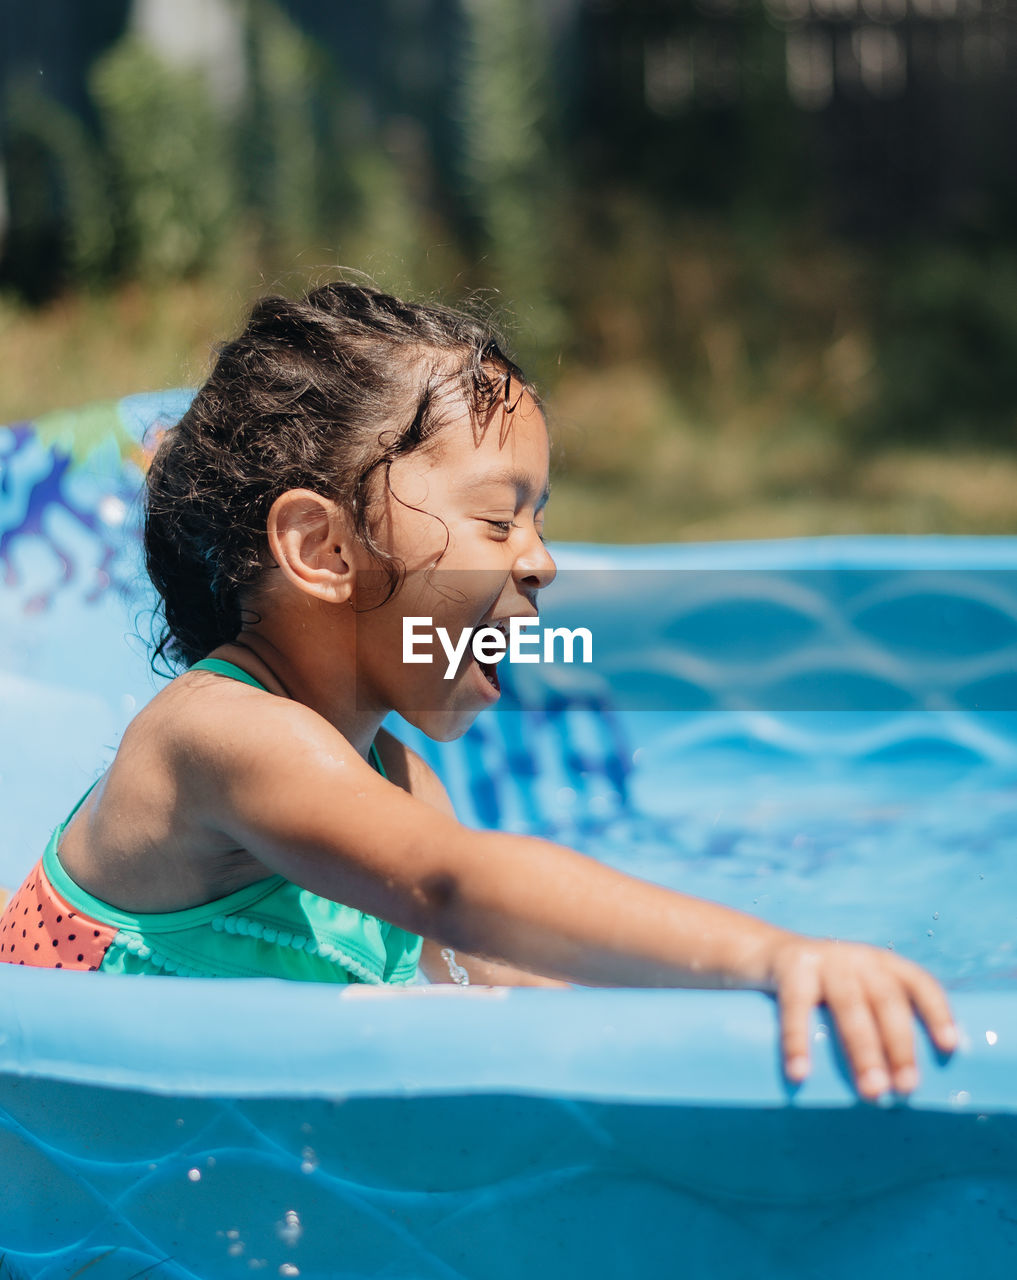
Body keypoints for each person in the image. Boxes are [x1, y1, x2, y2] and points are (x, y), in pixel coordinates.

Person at [0, 281, 957, 1100]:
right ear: (323, 548)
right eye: (500, 521)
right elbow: (459, 889)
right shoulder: (220, 736)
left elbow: (508, 981)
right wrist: (771, 957)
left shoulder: (399, 783)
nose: (540, 561)